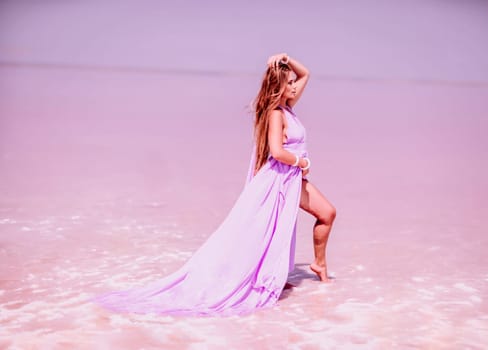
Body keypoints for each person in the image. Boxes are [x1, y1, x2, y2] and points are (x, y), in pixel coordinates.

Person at [92, 53, 336, 316]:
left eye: (292, 82)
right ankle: (261, 275)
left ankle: (318, 265)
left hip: (291, 179)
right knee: (269, 230)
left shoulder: (288, 106)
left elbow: (305, 74)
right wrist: (302, 163)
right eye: (288, 82)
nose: (293, 86)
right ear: (278, 87)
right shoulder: (276, 114)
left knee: (322, 215)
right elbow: (276, 152)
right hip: (279, 179)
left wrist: (286, 59)